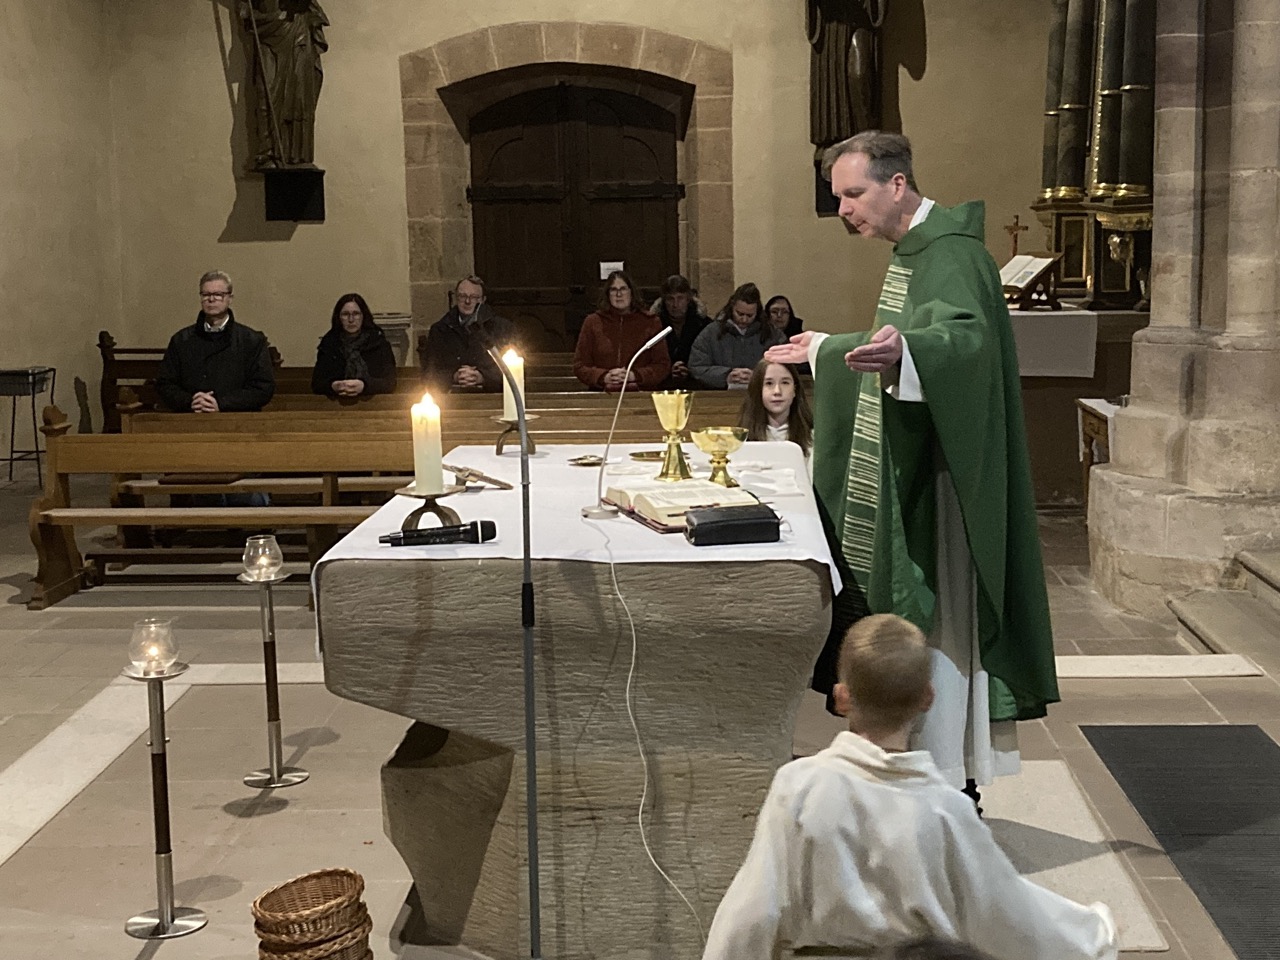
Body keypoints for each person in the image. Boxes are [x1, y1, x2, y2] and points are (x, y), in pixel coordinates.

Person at [766, 131, 1057, 806]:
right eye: (838, 196)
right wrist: (829, 349)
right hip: (924, 465)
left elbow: (963, 341)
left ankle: (948, 773)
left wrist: (911, 353)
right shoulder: (915, 251)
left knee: (944, 618)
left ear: (897, 185)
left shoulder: (953, 253)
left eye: (853, 193)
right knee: (926, 619)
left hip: (948, 483)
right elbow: (899, 343)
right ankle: (926, 763)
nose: (843, 209)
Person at [701, 614, 1118, 960]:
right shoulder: (946, 809)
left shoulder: (798, 787)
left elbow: (752, 914)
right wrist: (1095, 933)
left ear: (841, 697)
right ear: (928, 698)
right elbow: (1006, 912)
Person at [155, 270, 276, 413]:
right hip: (191, 417)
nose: (211, 299)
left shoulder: (252, 341)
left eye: (218, 294)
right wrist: (190, 401)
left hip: (237, 419)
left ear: (230, 298)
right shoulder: (181, 340)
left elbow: (263, 388)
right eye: (206, 295)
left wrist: (222, 403)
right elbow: (165, 384)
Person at [573, 270, 670, 391]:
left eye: (623, 289)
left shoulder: (650, 322)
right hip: (602, 395)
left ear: (631, 292)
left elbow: (662, 365)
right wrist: (604, 376)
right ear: (607, 294)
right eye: (613, 290)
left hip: (641, 393)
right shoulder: (593, 322)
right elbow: (580, 365)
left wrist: (633, 375)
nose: (619, 294)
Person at [421, 276, 516, 394]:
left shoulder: (502, 328)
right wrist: (454, 376)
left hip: (491, 396)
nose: (467, 301)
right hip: (451, 397)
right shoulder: (440, 330)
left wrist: (483, 377)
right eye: (463, 296)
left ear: (483, 300)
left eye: (474, 297)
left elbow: (514, 372)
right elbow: (429, 373)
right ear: (456, 298)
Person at [688, 282, 784, 389]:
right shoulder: (711, 333)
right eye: (740, 314)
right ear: (731, 307)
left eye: (750, 315)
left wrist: (759, 376)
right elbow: (696, 366)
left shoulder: (772, 334)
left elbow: (787, 366)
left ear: (757, 312)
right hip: (721, 394)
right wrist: (726, 375)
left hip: (762, 393)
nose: (744, 319)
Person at [310, 293, 397, 398]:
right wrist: (333, 386)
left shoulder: (378, 343)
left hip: (374, 402)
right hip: (336, 403)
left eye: (356, 314)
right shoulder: (329, 344)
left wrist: (364, 386)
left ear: (363, 316)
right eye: (345, 314)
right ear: (339, 317)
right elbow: (317, 383)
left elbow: (389, 382)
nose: (351, 320)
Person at [739, 360, 813, 457]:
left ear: (795, 389)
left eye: (785, 382)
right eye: (769, 383)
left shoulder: (814, 438)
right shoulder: (740, 441)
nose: (777, 391)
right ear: (758, 390)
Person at [650, 274, 710, 384]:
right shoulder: (653, 326)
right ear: (664, 301)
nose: (675, 304)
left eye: (680, 298)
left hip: (697, 383)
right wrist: (668, 370)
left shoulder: (704, 325)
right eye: (670, 299)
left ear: (688, 299)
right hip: (662, 383)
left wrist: (688, 369)